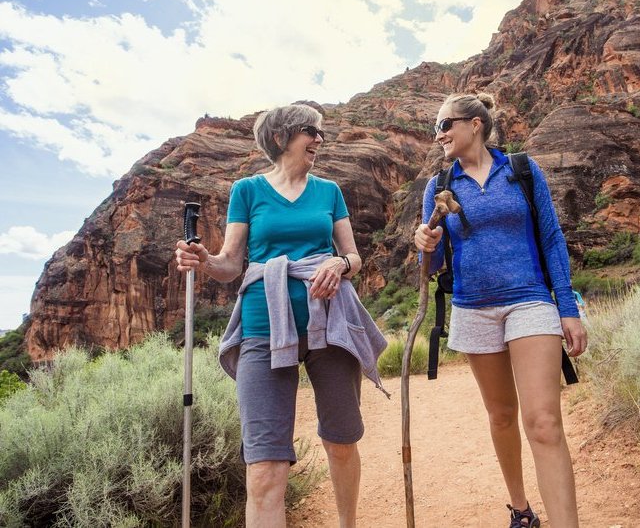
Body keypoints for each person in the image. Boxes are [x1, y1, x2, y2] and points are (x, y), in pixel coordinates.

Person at [176, 103, 386, 528]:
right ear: (281, 137)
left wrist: (340, 264)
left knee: (341, 442)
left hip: (330, 327)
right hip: (261, 328)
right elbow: (231, 264)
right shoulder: (247, 191)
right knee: (264, 466)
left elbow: (354, 256)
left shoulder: (329, 191)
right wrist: (205, 260)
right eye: (312, 132)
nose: (320, 141)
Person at [414, 92, 587, 528]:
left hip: (529, 300)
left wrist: (566, 307)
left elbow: (551, 238)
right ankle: (521, 509)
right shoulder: (439, 186)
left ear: (474, 124)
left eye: (445, 125)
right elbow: (432, 267)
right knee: (502, 415)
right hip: (473, 308)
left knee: (543, 421)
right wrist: (425, 246)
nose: (439, 135)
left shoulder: (523, 171)